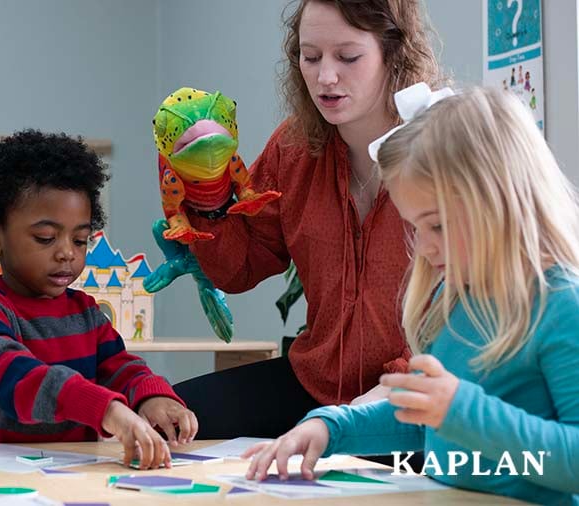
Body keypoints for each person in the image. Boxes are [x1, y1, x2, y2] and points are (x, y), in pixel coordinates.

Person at [243, 86, 579, 505]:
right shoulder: (454, 300)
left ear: (503, 203)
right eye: (415, 227)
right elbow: (420, 417)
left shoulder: (560, 305)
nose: (423, 247)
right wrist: (332, 428)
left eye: (436, 226)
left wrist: (462, 412)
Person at [172, 0, 444, 438]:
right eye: (310, 56)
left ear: (394, 52)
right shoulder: (293, 148)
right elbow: (240, 267)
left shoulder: (447, 148)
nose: (325, 77)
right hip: (314, 383)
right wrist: (207, 195)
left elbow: (480, 310)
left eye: (348, 57)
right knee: (173, 418)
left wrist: (372, 402)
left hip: (419, 392)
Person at [0, 130, 198, 470]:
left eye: (80, 240)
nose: (67, 253)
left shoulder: (86, 313)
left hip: (66, 470)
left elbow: (120, 368)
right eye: (46, 238)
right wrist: (106, 409)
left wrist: (152, 395)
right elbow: (16, 378)